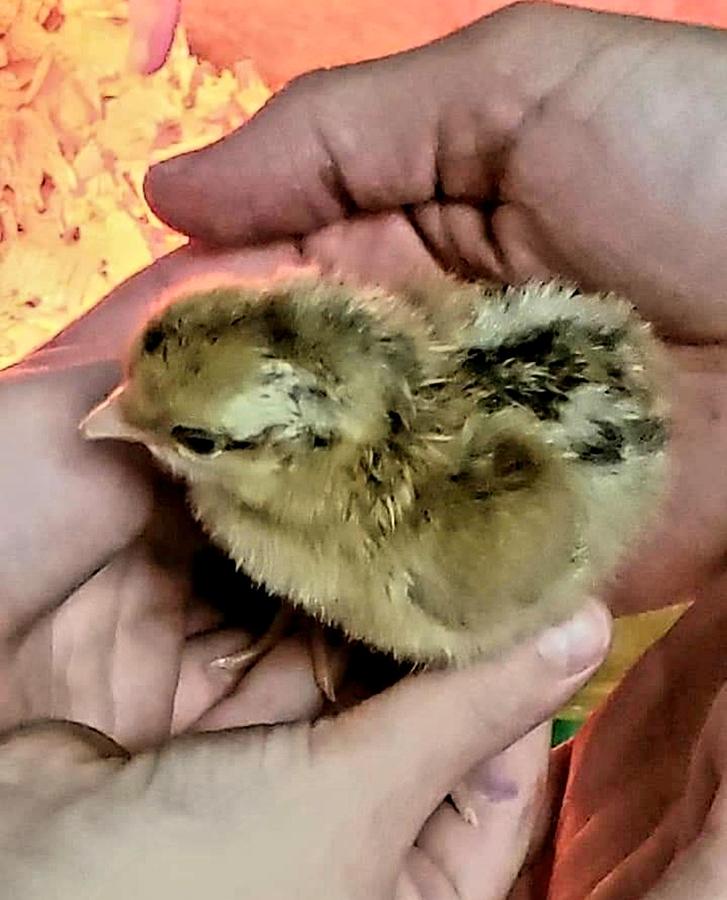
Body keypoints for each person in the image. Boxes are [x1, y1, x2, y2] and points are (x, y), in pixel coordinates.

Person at [1, 2, 727, 896]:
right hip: (540, 386)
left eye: (187, 437)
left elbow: (538, 523)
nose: (111, 416)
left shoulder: (427, 525)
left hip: (546, 464)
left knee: (465, 594)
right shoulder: (377, 359)